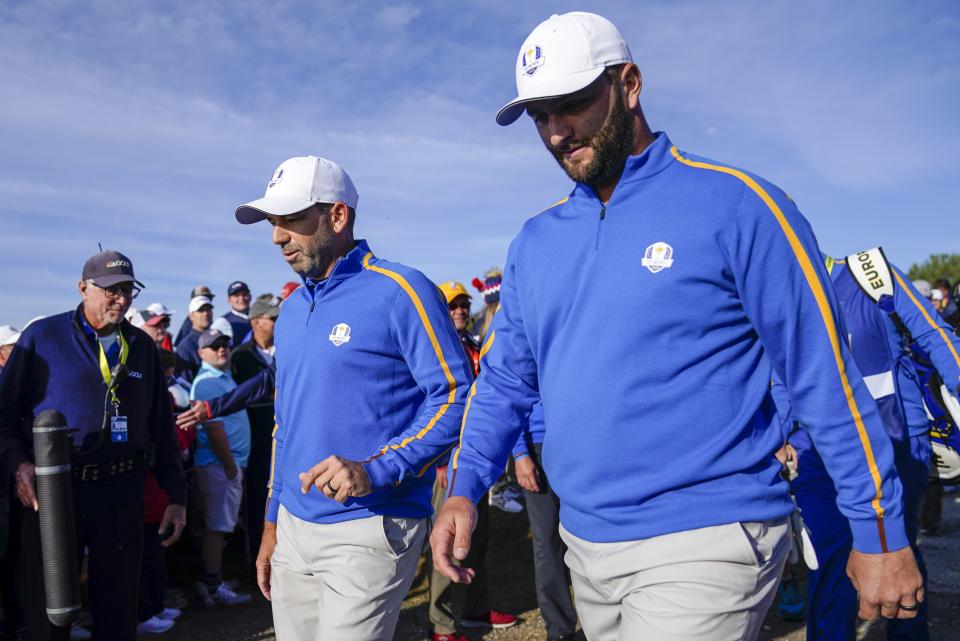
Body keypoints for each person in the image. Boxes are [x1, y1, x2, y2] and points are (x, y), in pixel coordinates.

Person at [431, 12, 923, 641]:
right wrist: (465, 489)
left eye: (572, 105)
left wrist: (878, 532)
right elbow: (503, 383)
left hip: (710, 535)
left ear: (629, 83)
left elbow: (824, 376)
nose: (556, 132)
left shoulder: (740, 205)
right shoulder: (534, 243)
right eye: (539, 116)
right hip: (585, 541)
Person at [234, 155, 472, 641]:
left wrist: (373, 469)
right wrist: (271, 521)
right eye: (272, 223)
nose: (277, 236)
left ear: (337, 216)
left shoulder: (402, 290)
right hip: (295, 529)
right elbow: (286, 423)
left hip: (372, 524)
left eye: (291, 220)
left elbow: (457, 398)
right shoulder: (292, 308)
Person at [0, 249, 187, 641]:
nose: (121, 298)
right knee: (49, 615)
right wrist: (18, 463)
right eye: (111, 290)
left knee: (118, 615)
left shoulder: (141, 346)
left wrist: (177, 495)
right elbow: (5, 413)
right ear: (83, 288)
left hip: (120, 494)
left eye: (127, 290)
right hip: (53, 494)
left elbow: (162, 428)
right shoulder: (43, 337)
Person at [787, 250, 960, 641]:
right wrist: (779, 436)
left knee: (898, 554)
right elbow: (780, 375)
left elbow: (936, 336)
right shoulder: (781, 296)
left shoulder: (871, 273)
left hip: (898, 442)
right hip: (819, 452)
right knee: (830, 563)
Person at [427, 282, 516, 641]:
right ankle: (442, 623)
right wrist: (438, 461)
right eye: (453, 306)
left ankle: (478, 608)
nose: (461, 311)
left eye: (464, 304)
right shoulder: (434, 351)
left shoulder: (477, 345)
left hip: (477, 459)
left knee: (477, 535)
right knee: (446, 539)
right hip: (446, 462)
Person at [190, 328, 252, 606]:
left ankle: (214, 579)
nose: (222, 349)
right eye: (214, 346)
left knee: (221, 526)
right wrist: (230, 466)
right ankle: (212, 585)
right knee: (217, 527)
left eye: (224, 344)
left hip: (226, 464)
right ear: (201, 353)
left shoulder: (221, 378)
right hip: (219, 465)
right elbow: (214, 430)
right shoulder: (206, 382)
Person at [513, 402, 579, 641]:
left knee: (587, 536)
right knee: (547, 542)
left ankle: (602, 621)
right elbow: (510, 394)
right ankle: (560, 630)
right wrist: (520, 454)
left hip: (579, 441)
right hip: (537, 447)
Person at [228, 299, 280, 568]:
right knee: (256, 503)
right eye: (272, 318)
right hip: (254, 442)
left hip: (284, 442)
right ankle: (255, 563)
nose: (276, 322)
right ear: (256, 321)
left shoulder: (287, 350)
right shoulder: (239, 356)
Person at [174, 295, 214, 382]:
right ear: (191, 316)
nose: (206, 313)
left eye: (208, 309)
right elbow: (185, 383)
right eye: (201, 310)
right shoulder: (185, 347)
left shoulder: (219, 339)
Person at [222, 281, 252, 347]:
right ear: (229, 300)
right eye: (236, 295)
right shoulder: (223, 322)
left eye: (244, 294)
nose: (241, 298)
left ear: (250, 297)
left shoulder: (259, 317)